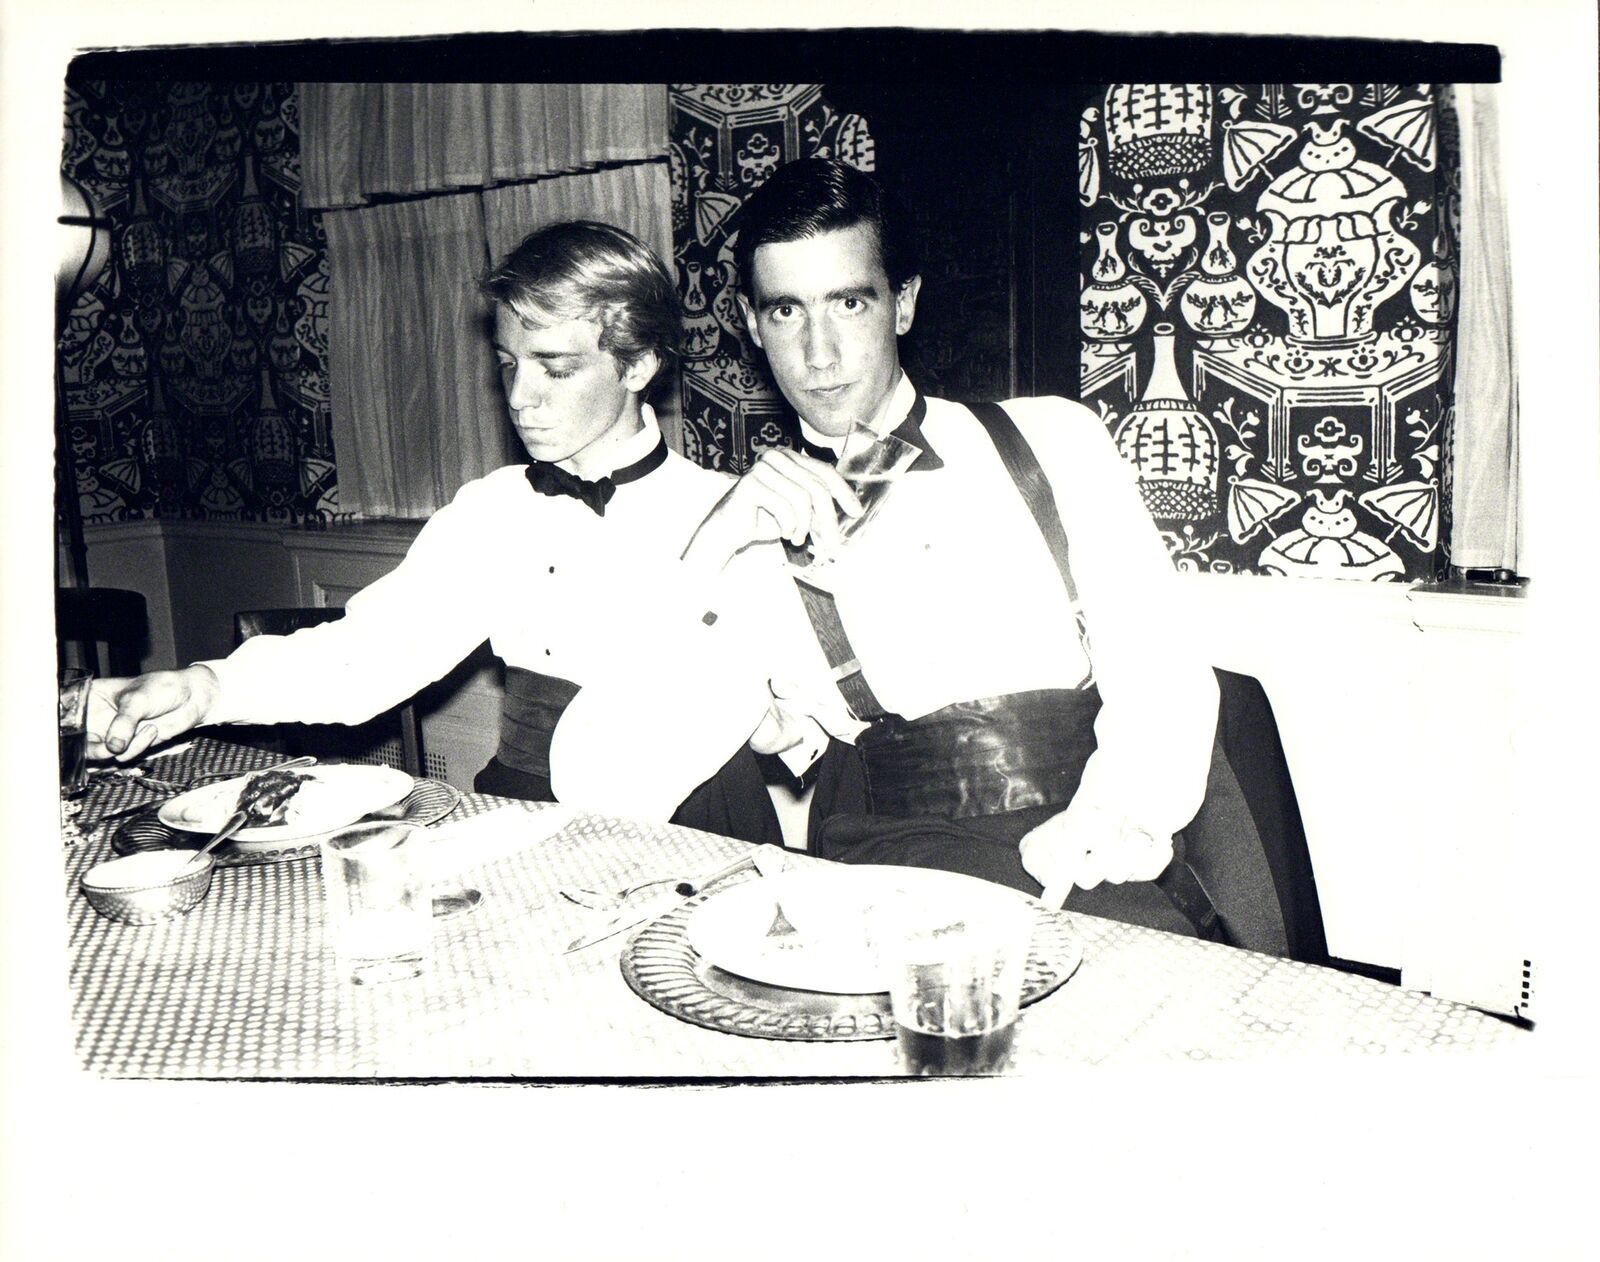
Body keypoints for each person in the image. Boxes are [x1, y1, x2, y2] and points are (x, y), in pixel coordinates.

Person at [558, 159, 1298, 948]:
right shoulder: (749, 543)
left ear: (903, 303)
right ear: (750, 321)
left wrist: (1106, 823)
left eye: (849, 303)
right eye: (786, 311)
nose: (818, 353)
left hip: (1103, 834)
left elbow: (1159, 668)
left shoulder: (1052, 441)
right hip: (896, 875)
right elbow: (598, 781)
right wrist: (708, 551)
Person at [86, 220, 783, 846]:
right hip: (524, 811)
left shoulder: (734, 516)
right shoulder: (493, 510)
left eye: (555, 367)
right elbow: (367, 654)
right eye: (508, 364)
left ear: (638, 365)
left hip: (688, 823)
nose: (520, 398)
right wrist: (206, 689)